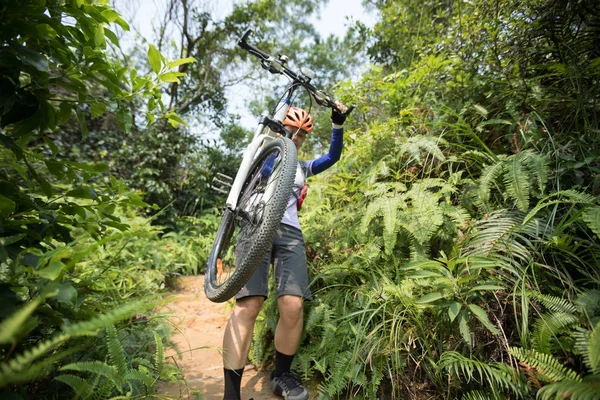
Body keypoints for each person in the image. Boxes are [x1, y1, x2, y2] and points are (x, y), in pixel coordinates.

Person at [221, 101, 350, 400]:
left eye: (301, 136)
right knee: (249, 305)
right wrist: (277, 135)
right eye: (292, 132)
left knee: (293, 306)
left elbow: (332, 157)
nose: (296, 139)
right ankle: (231, 394)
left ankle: (281, 375)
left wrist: (337, 125)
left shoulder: (303, 167)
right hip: (256, 225)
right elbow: (263, 164)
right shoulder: (263, 156)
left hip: (290, 232)